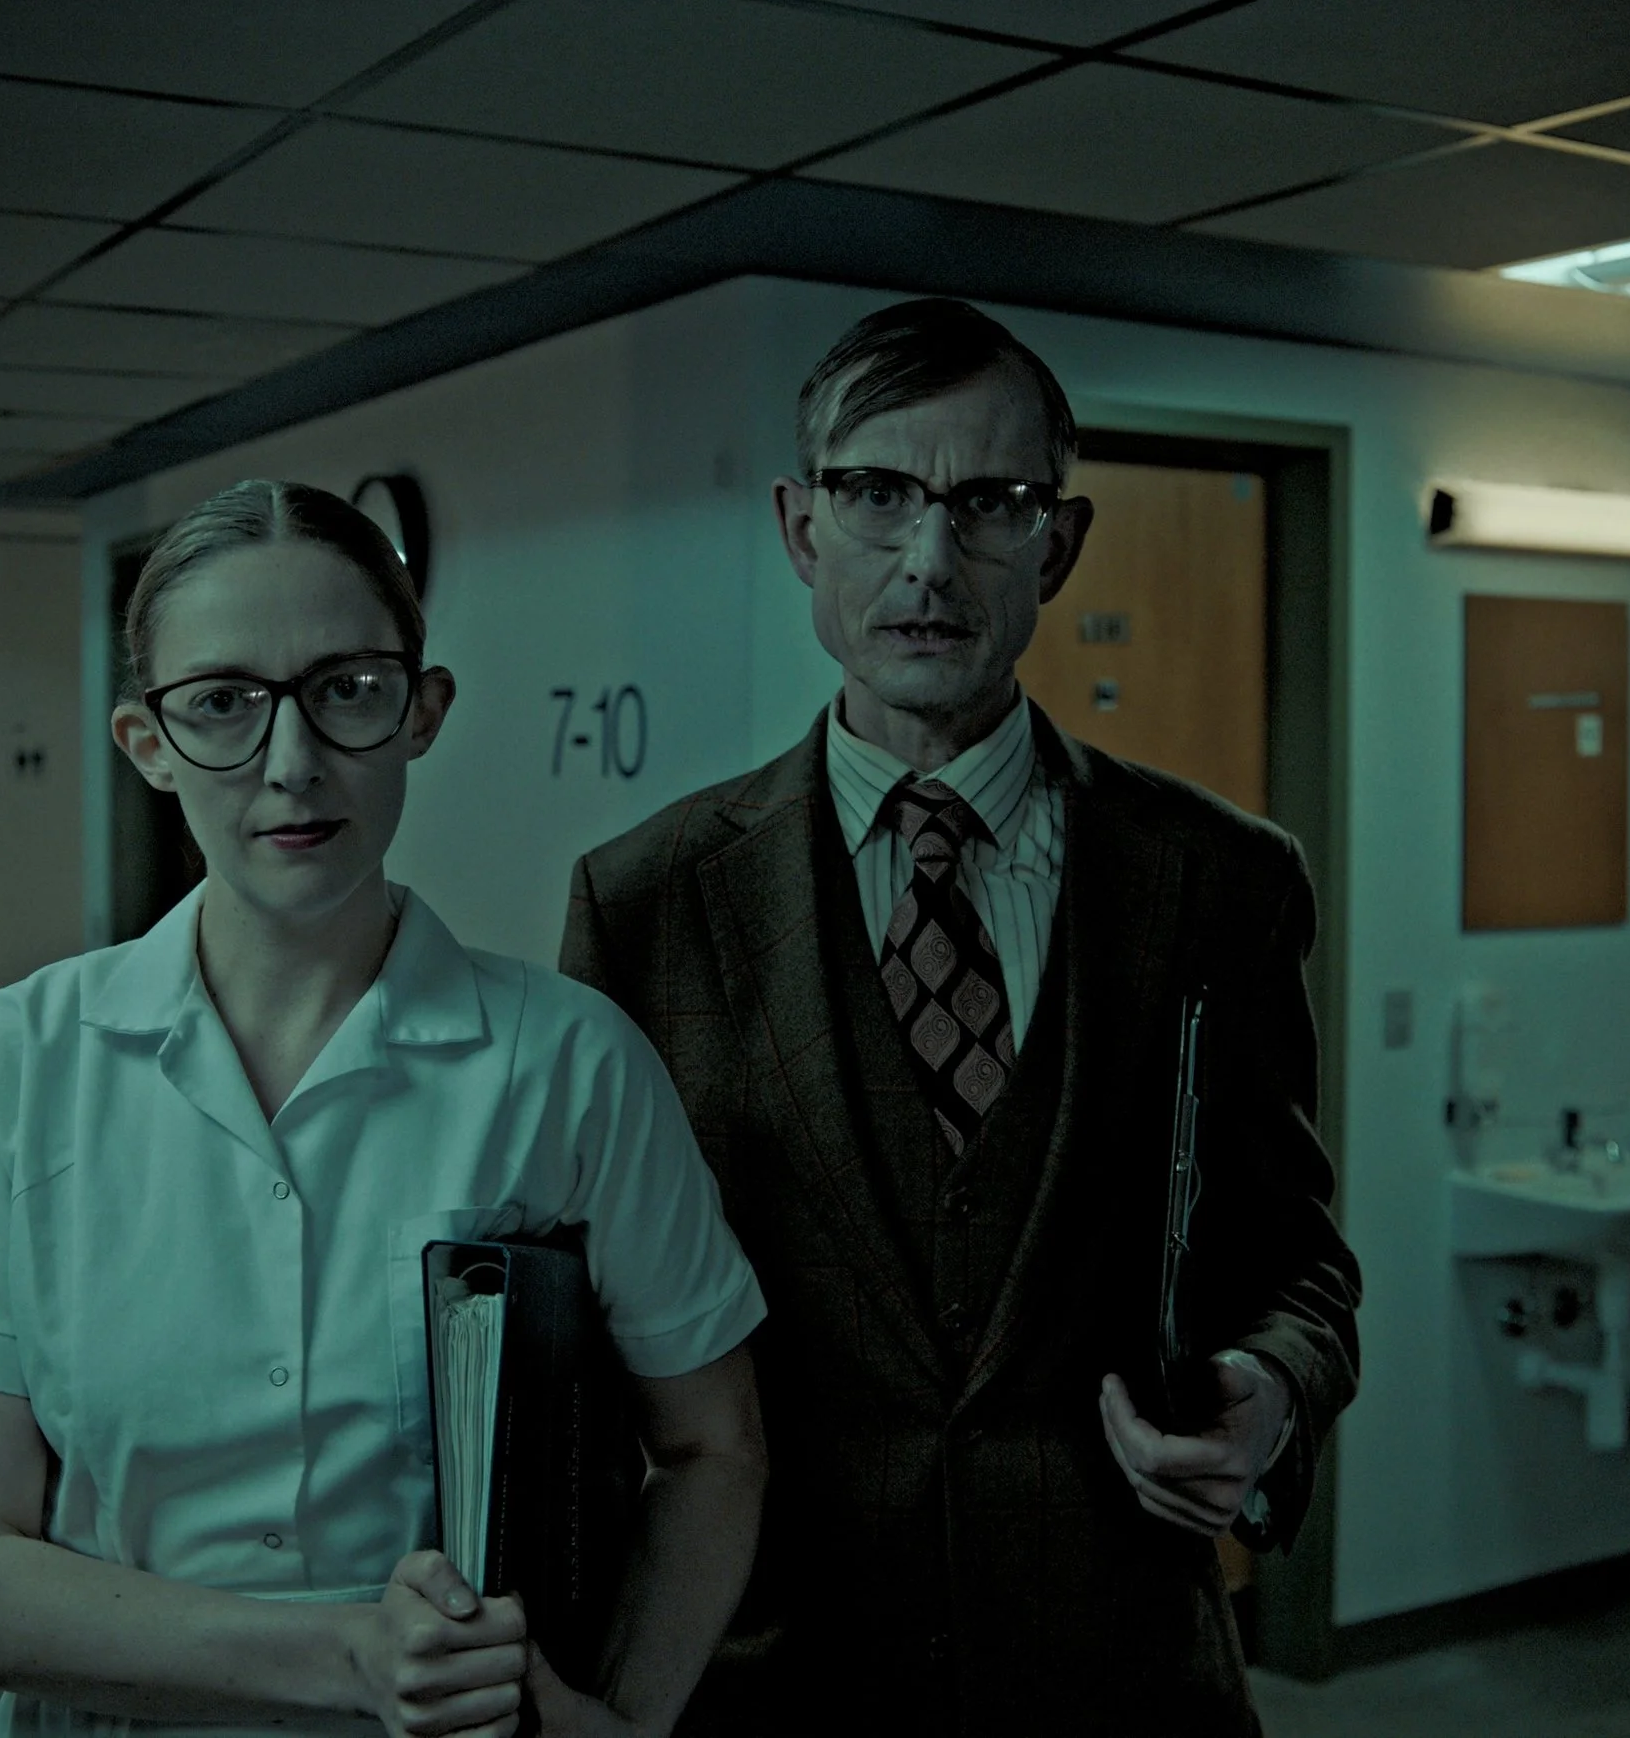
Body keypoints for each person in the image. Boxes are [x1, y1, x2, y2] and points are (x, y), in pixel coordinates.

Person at [0, 480, 768, 1738]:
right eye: (222, 704)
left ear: (423, 711)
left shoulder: (568, 1063)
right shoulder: (14, 1068)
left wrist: (621, 1722)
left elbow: (714, 1449)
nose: (292, 761)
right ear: (146, 744)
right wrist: (343, 1656)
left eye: (347, 689)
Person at [560, 300, 1362, 1734]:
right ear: (803, 529)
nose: (929, 560)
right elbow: (592, 1341)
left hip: (1125, 1677)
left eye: (989, 503)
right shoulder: (649, 906)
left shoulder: (1224, 884)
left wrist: (1270, 1389)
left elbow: (1298, 1263)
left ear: (1058, 543)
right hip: (773, 1681)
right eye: (878, 496)